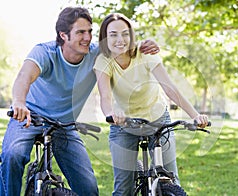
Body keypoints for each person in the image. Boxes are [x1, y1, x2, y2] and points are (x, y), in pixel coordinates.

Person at [0, 7, 160, 196]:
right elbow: (23, 77)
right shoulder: (44, 52)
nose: (88, 37)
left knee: (88, 188)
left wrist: (145, 44)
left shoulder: (96, 54)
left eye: (90, 31)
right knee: (13, 155)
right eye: (81, 32)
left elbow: (122, 44)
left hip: (65, 125)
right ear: (64, 35)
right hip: (29, 117)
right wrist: (19, 102)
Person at [93, 13, 209, 196]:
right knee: (124, 189)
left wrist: (195, 115)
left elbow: (170, 88)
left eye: (125, 33)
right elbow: (105, 97)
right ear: (105, 38)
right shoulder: (103, 61)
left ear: (131, 35)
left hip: (158, 120)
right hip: (124, 124)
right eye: (113, 34)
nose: (120, 40)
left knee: (171, 180)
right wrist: (111, 114)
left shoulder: (144, 53)